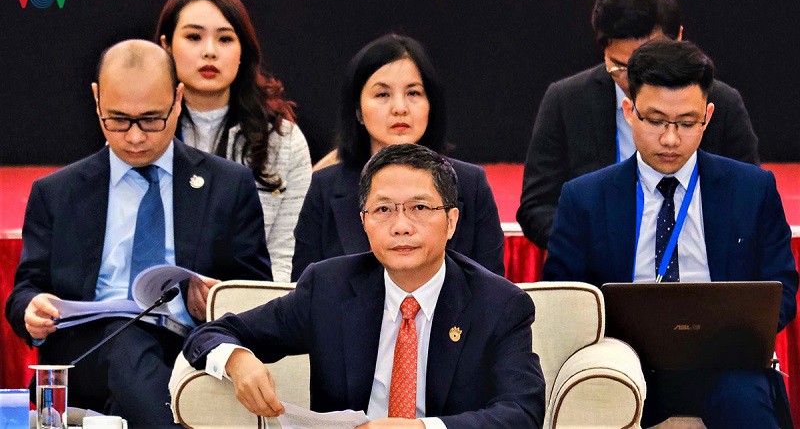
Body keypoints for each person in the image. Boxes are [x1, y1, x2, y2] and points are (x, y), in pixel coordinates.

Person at [5, 40, 272, 426]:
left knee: (129, 372)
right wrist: (32, 309)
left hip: (189, 351)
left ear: (177, 100)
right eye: (117, 120)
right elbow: (25, 290)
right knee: (124, 338)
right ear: (97, 100)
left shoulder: (227, 186)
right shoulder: (58, 193)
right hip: (87, 353)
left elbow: (255, 295)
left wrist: (213, 301)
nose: (134, 137)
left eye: (150, 120)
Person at [184, 143, 546, 428]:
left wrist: (423, 428)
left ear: (451, 221)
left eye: (420, 208)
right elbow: (209, 335)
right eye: (383, 210)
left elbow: (523, 411)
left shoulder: (498, 304)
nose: (401, 226)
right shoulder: (328, 288)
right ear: (364, 222)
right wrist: (236, 359)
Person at [543, 39, 798, 428]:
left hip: (726, 365)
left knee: (745, 398)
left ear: (707, 117)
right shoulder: (585, 199)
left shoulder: (752, 190)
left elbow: (783, 286)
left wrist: (739, 332)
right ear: (629, 112)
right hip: (625, 365)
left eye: (686, 123)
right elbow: (566, 297)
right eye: (656, 120)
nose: (670, 140)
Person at [517, 0, 760, 249]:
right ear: (603, 49)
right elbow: (537, 206)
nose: (637, 80)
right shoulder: (566, 100)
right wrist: (588, 247)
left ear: (679, 38)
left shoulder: (722, 103)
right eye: (621, 67)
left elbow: (750, 200)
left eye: (651, 63)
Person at [292, 34, 505, 281]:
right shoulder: (325, 187)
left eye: (413, 93)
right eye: (383, 95)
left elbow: (492, 291)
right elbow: (304, 289)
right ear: (358, 111)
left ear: (430, 104)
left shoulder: (471, 185)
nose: (400, 108)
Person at [156, 0, 312, 282]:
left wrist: (245, 306)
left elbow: (286, 256)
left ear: (243, 51)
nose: (210, 52)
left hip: (251, 305)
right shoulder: (142, 131)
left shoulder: (283, 140)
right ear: (166, 46)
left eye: (225, 39)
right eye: (193, 37)